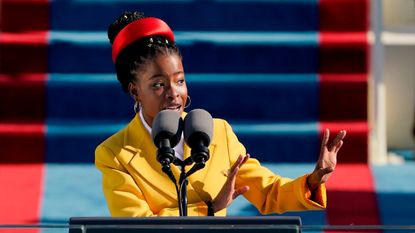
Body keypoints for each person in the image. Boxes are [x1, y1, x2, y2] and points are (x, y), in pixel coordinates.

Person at [95, 11, 347, 217]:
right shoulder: (115, 154)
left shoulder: (217, 133)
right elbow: (137, 226)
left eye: (179, 81)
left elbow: (269, 192)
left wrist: (313, 182)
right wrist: (211, 209)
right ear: (135, 91)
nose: (174, 94)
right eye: (159, 84)